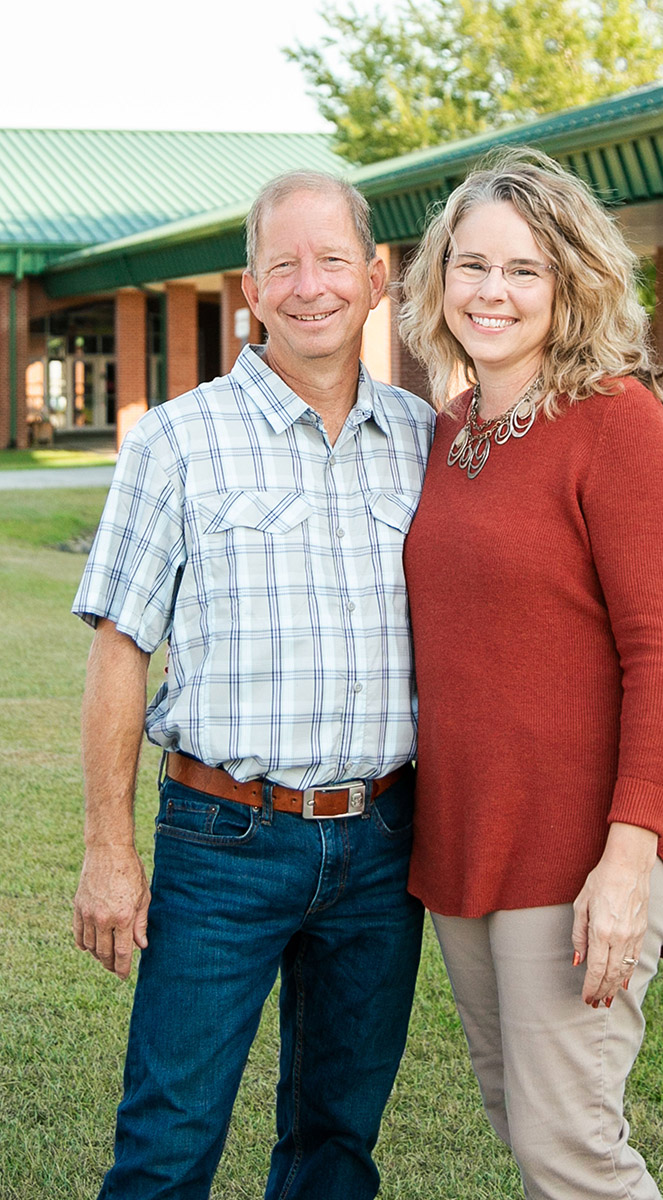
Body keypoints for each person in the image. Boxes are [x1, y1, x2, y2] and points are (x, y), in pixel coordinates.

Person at [71, 169, 434, 1200]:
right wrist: (108, 853)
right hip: (221, 842)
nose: (308, 285)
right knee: (167, 1142)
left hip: (380, 845)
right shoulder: (178, 440)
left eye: (331, 261)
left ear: (375, 280)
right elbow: (118, 649)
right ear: (250, 287)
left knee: (335, 1144)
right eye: (284, 264)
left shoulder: (423, 442)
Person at [399, 149, 663, 1199]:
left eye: (522, 269)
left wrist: (629, 863)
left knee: (569, 1149)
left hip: (579, 847)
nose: (490, 292)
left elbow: (659, 659)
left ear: (570, 281)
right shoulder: (452, 432)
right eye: (469, 264)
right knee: (521, 1123)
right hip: (465, 837)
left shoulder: (616, 423)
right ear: (437, 277)